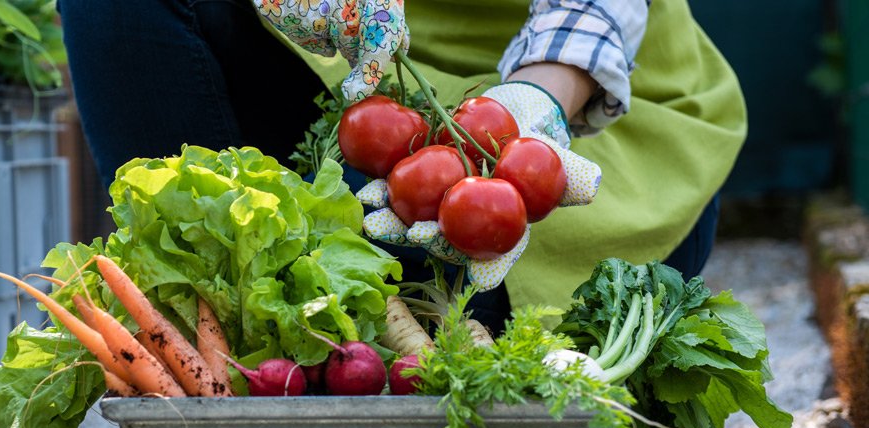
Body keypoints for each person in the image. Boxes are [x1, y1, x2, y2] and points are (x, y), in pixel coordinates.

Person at [58, 0, 741, 332]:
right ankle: (202, 346)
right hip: (360, 80)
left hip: (586, 99)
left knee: (396, 255)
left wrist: (536, 105)